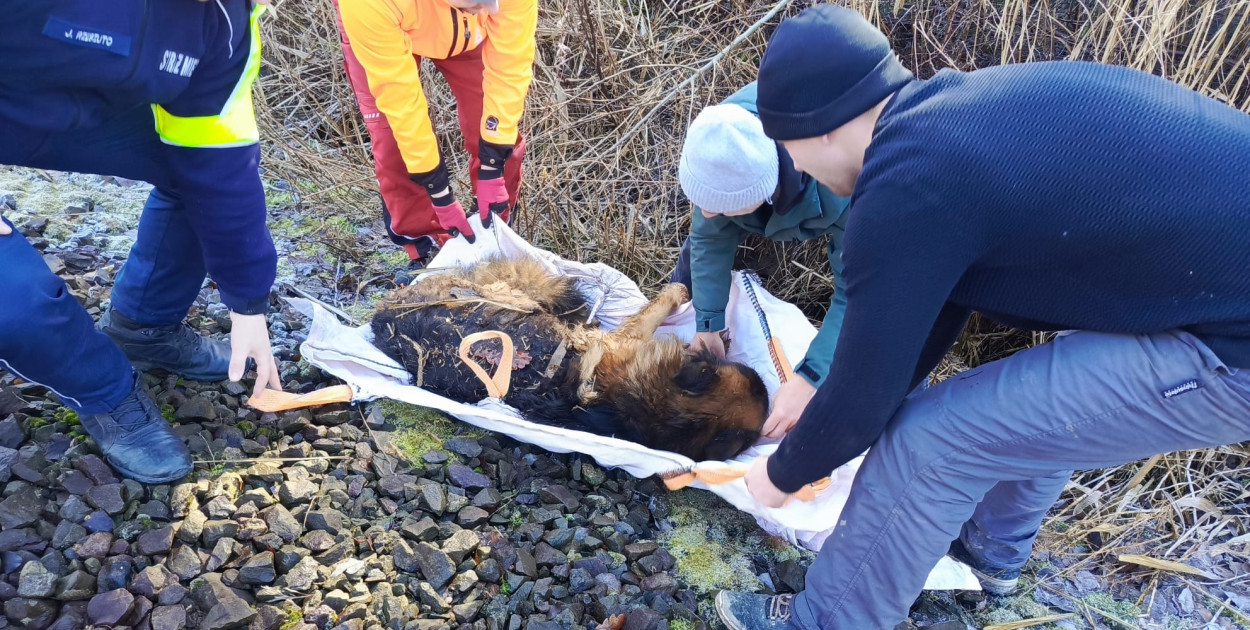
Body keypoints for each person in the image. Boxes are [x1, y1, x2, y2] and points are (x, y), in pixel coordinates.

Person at [714, 5, 1250, 630]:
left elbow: (865, 403)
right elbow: (926, 323)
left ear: (824, 126)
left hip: (1231, 342)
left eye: (791, 147)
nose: (797, 168)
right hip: (1203, 296)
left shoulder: (907, 185)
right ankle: (987, 553)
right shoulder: (946, 123)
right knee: (1025, 398)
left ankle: (829, 620)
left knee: (932, 441)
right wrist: (836, 412)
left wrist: (779, 475)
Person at [1, 0, 283, 484]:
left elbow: (220, 160)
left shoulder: (226, 22)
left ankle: (144, 328)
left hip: (68, 120)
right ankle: (106, 393)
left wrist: (248, 303)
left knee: (194, 178)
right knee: (16, 306)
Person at [671, 81, 852, 435]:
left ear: (763, 192)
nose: (704, 212)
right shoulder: (720, 142)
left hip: (877, 214)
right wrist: (708, 323)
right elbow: (708, 237)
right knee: (701, 245)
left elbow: (857, 292)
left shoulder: (846, 183)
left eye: (719, 204)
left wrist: (811, 377)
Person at [333, 0, 536, 284]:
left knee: (497, 127)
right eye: (475, 3)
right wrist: (437, 190)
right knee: (394, 144)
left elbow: (510, 65)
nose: (484, 8)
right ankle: (426, 249)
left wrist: (493, 165)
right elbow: (402, 106)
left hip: (468, 37)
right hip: (382, 24)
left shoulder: (490, 6)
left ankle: (495, 233)